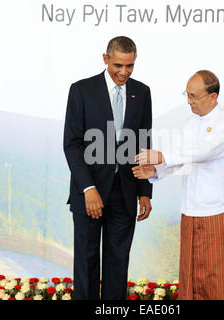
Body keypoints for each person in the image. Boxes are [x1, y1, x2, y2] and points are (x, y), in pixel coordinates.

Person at [133, 70, 224, 300]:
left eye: (194, 96)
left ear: (213, 97)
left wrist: (162, 156)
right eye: (187, 95)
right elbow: (180, 159)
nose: (189, 102)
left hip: (219, 210)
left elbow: (205, 152)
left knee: (219, 278)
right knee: (191, 276)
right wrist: (155, 171)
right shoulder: (188, 124)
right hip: (191, 209)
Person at [63, 36, 153, 300]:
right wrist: (88, 188)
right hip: (88, 192)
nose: (124, 72)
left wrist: (144, 190)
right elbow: (72, 144)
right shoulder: (81, 90)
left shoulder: (142, 92)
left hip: (124, 193)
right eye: (118, 65)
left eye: (130, 66)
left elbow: (143, 141)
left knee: (117, 266)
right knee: (87, 265)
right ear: (105, 59)